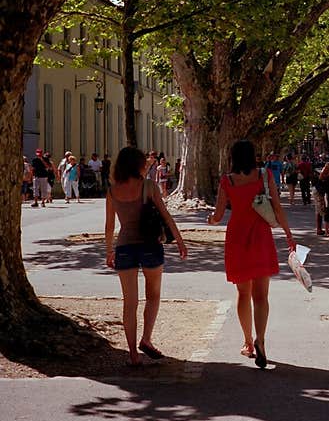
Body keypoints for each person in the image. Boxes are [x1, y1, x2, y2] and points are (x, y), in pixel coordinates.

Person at [207, 139, 296, 368]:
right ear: (253, 155)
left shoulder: (227, 180)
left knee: (243, 293)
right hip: (261, 237)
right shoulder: (264, 176)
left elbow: (218, 216)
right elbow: (277, 207)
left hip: (237, 238)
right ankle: (262, 341)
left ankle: (247, 341)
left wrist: (211, 220)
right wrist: (288, 235)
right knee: (261, 296)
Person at [105, 146, 188, 367]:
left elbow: (109, 226)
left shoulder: (113, 191)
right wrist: (179, 241)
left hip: (124, 247)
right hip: (150, 245)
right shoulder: (148, 186)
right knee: (153, 295)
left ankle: (132, 352)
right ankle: (146, 339)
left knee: (129, 302)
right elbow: (165, 215)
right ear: (138, 164)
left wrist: (108, 250)